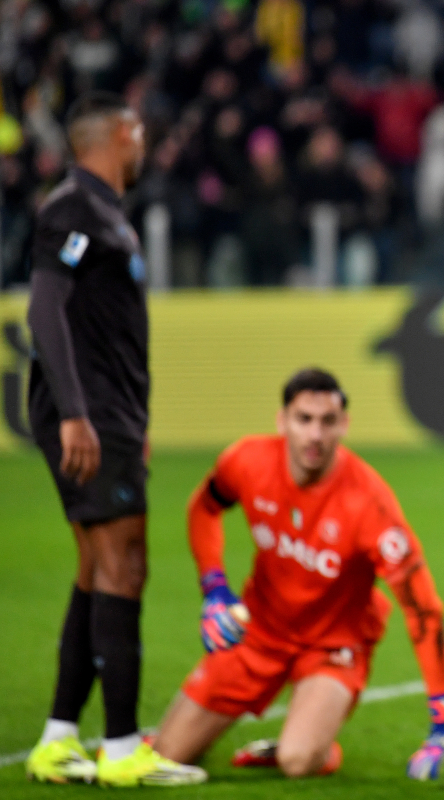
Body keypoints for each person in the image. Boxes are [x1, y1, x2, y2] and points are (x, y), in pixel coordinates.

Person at [23, 91, 206, 787]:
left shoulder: (102, 213)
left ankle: (58, 738)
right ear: (120, 135)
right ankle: (125, 750)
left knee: (96, 568)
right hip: (90, 417)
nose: (144, 139)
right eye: (137, 129)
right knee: (125, 566)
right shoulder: (75, 207)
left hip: (110, 416)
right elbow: (45, 306)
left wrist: (134, 421)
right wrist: (75, 413)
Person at [152, 368, 444, 781]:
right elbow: (204, 508)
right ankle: (286, 736)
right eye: (304, 419)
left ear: (344, 425)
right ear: (282, 421)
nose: (315, 435)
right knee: (168, 753)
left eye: (328, 421)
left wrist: (441, 714)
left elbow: (422, 606)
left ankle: (315, 748)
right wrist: (214, 589)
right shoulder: (247, 460)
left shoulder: (369, 503)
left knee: (298, 761)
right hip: (260, 632)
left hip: (335, 642)